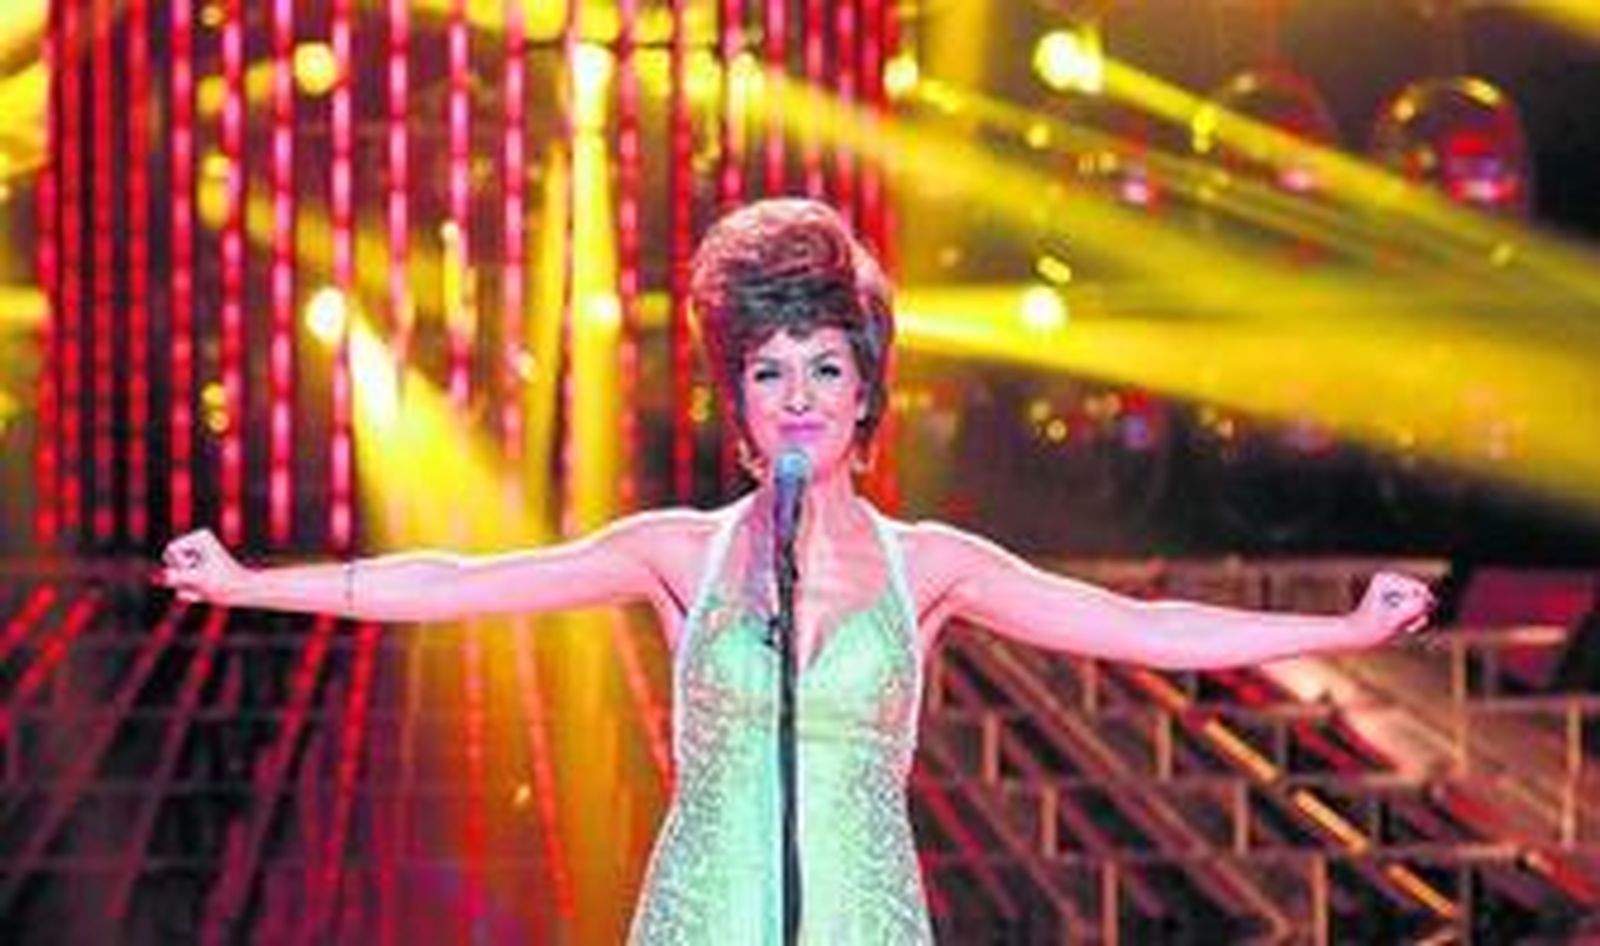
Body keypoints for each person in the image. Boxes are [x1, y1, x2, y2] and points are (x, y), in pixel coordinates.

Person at [159, 198, 1435, 944]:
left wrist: (1341, 629)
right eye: (769, 371)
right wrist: (254, 582)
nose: (799, 395)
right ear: (740, 400)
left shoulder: (930, 565)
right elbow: (460, 582)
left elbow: (1133, 624)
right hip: (704, 912)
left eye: (826, 366)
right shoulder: (679, 552)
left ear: (865, 388)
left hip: (865, 918)